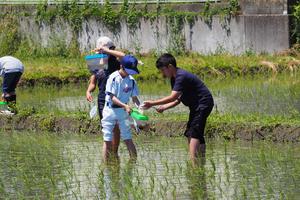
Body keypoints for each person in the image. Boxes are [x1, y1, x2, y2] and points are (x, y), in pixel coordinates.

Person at [142, 53, 214, 162]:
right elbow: (178, 99)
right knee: (193, 131)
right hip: (196, 106)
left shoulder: (181, 76)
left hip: (203, 103)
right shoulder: (174, 78)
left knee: (194, 132)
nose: (162, 73)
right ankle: (200, 161)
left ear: (170, 67)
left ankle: (193, 162)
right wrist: (164, 107)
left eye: (163, 70)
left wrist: (152, 103)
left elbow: (173, 97)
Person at [86, 36, 124, 156]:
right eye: (100, 50)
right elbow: (93, 82)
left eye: (104, 50)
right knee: (106, 126)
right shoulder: (96, 63)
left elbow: (123, 56)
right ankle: (109, 155)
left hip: (116, 98)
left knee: (115, 126)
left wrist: (106, 50)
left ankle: (115, 152)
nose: (101, 52)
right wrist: (88, 91)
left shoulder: (117, 63)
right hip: (102, 99)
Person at [101, 55, 141, 161]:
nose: (129, 73)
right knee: (107, 139)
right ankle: (106, 167)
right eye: (128, 70)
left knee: (128, 137)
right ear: (121, 66)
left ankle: (133, 163)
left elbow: (134, 98)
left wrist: (140, 107)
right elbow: (112, 97)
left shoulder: (131, 80)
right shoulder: (113, 78)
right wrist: (125, 105)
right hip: (110, 111)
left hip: (123, 112)